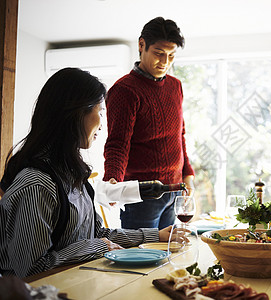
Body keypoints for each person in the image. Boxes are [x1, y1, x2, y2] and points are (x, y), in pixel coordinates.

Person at [0, 68, 172, 278]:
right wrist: (97, 247)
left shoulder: (73, 176)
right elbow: (32, 270)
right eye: (100, 112)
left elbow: (98, 233)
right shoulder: (37, 184)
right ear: (77, 113)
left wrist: (157, 235)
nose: (102, 123)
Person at [103, 16, 195, 230]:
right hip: (142, 196)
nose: (165, 62)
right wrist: (112, 179)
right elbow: (117, 143)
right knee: (140, 260)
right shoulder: (124, 91)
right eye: (159, 54)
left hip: (174, 191)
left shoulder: (175, 86)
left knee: (167, 257)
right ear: (141, 45)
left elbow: (179, 135)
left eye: (171, 56)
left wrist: (188, 173)